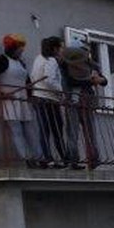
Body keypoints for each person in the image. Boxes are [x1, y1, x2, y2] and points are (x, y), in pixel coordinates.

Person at [0, 34, 42, 167]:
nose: (21, 51)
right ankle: (28, 160)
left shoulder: (20, 62)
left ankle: (38, 157)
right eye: (19, 49)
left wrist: (30, 93)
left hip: (23, 100)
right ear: (12, 49)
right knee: (16, 131)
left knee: (31, 130)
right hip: (9, 101)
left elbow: (27, 81)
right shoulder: (1, 60)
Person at [61, 44, 107, 168]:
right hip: (74, 101)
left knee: (89, 131)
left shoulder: (92, 65)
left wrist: (100, 80)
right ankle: (73, 159)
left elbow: (104, 80)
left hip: (86, 101)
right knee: (73, 132)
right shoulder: (67, 65)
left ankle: (93, 159)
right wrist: (90, 81)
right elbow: (70, 81)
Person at [29, 35, 72, 167]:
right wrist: (61, 92)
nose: (62, 50)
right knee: (57, 130)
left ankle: (47, 158)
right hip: (49, 99)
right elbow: (50, 80)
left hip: (38, 97)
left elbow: (32, 76)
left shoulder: (38, 58)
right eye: (61, 47)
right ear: (55, 49)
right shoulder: (51, 61)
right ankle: (64, 159)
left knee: (44, 130)